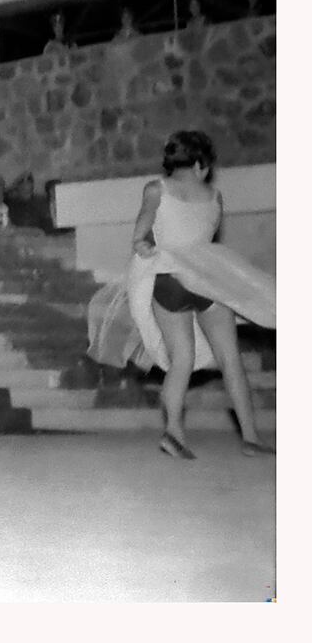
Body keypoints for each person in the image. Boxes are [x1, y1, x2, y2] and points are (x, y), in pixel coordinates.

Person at [87, 130, 275, 460]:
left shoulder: (156, 189)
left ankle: (173, 432)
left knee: (181, 361)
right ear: (201, 165)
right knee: (230, 360)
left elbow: (140, 234)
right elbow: (205, 240)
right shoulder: (214, 196)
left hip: (169, 278)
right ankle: (251, 438)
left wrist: (144, 245)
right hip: (207, 278)